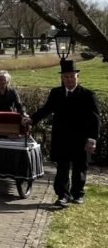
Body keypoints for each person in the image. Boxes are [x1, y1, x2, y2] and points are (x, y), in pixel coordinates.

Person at [24, 60, 100, 208]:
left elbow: (95, 118)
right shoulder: (56, 93)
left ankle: (77, 194)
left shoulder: (88, 95)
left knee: (79, 167)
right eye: (66, 77)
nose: (69, 80)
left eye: (72, 76)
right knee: (63, 168)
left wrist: (92, 139)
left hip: (81, 138)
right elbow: (46, 109)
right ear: (62, 78)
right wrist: (31, 119)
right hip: (62, 137)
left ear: (77, 77)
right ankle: (63, 196)